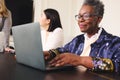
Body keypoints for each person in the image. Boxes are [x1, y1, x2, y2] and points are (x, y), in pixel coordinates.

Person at [44, 0, 120, 73]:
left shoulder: (114, 42)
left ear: (98, 19)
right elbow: (62, 50)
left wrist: (80, 60)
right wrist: (49, 53)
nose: (80, 20)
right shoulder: (78, 40)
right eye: (79, 16)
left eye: (86, 16)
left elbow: (117, 65)